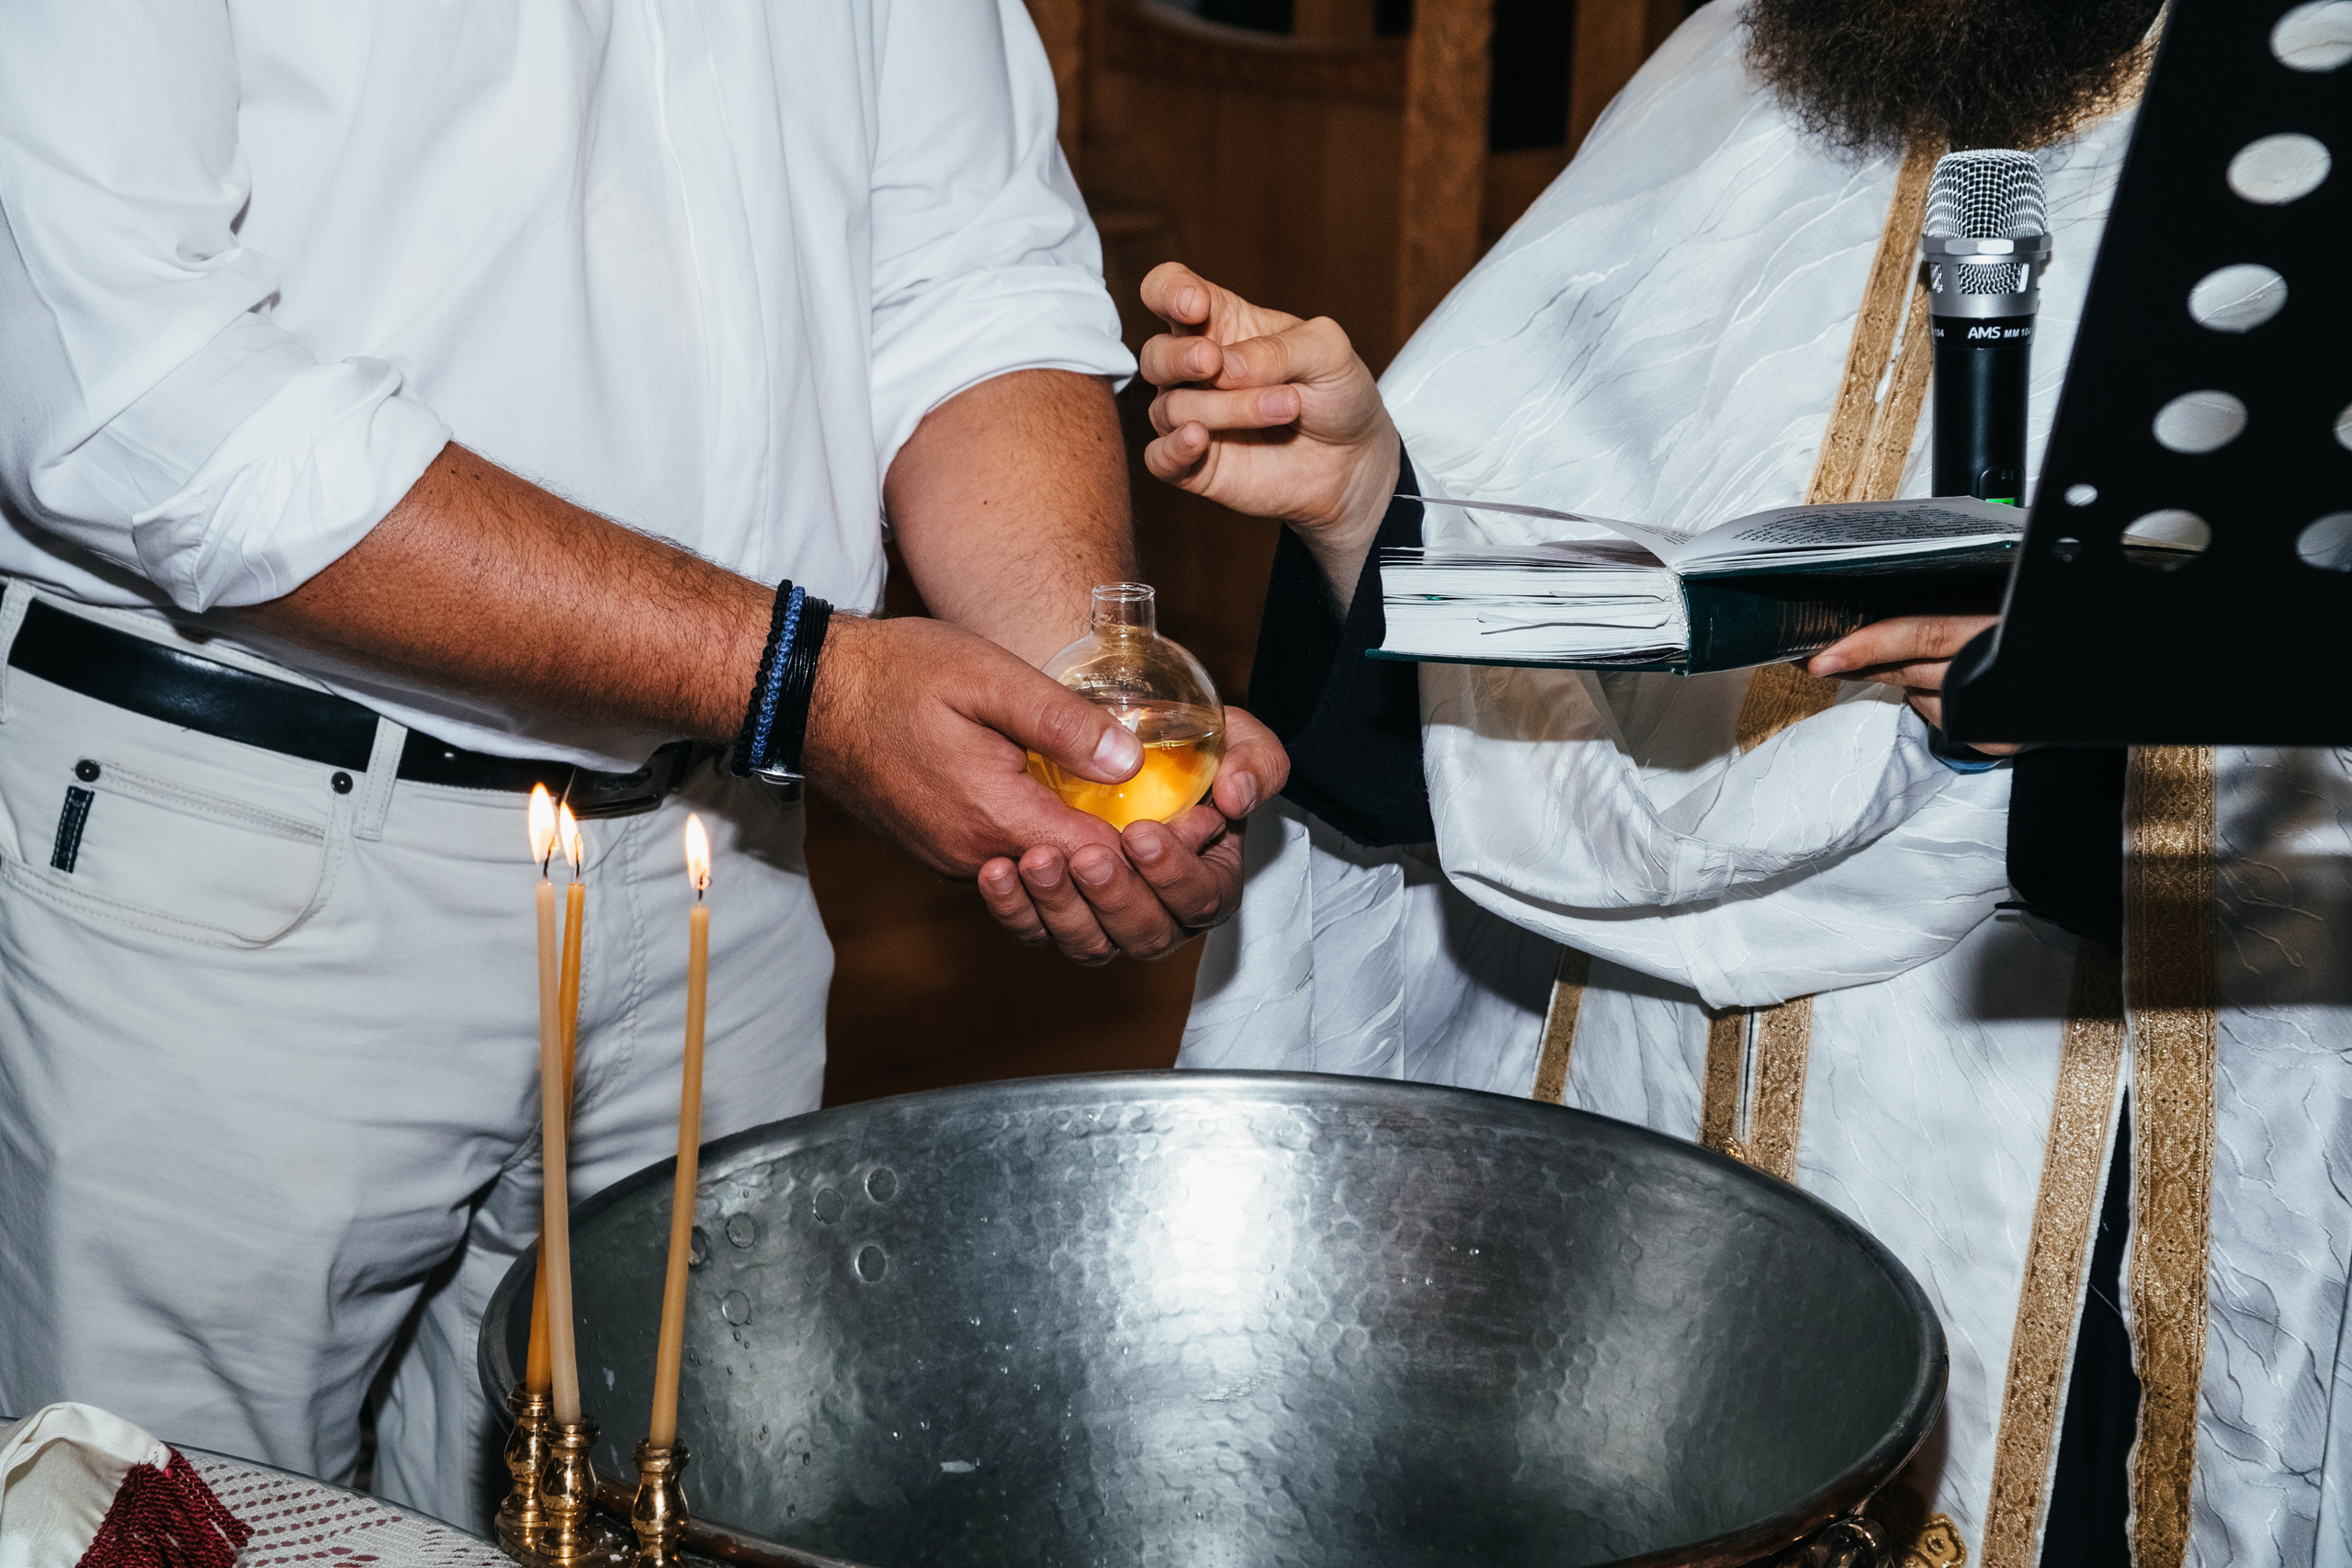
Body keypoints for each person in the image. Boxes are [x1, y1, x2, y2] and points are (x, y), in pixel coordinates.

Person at [995, 1, 2352, 1563]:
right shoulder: (1736, 71)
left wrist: (2099, 691)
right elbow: (1512, 689)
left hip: (2101, 1102)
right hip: (1660, 1122)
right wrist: (1372, 507)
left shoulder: (2285, 128)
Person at [0, 0, 1284, 1530]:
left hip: (715, 853)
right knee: (181, 1531)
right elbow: (131, 384)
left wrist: (1082, 714)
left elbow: (963, 276)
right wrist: (799, 678)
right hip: (247, 863)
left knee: (658, 1518)